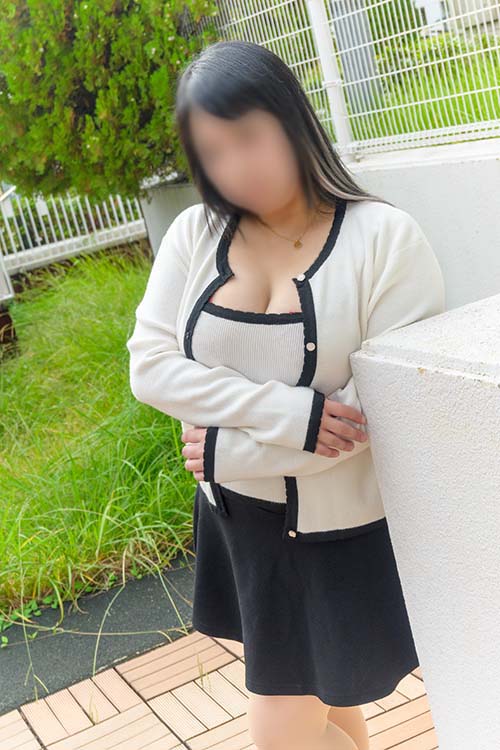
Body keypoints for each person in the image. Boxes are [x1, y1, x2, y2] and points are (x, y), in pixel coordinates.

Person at [126, 40, 446, 750]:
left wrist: (225, 451)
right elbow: (150, 366)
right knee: (321, 705)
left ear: (291, 118)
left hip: (334, 531)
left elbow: (371, 417)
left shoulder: (385, 240)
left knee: (287, 728)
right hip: (238, 521)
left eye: (248, 136)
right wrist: (289, 416)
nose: (236, 167)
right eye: (213, 151)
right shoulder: (195, 234)